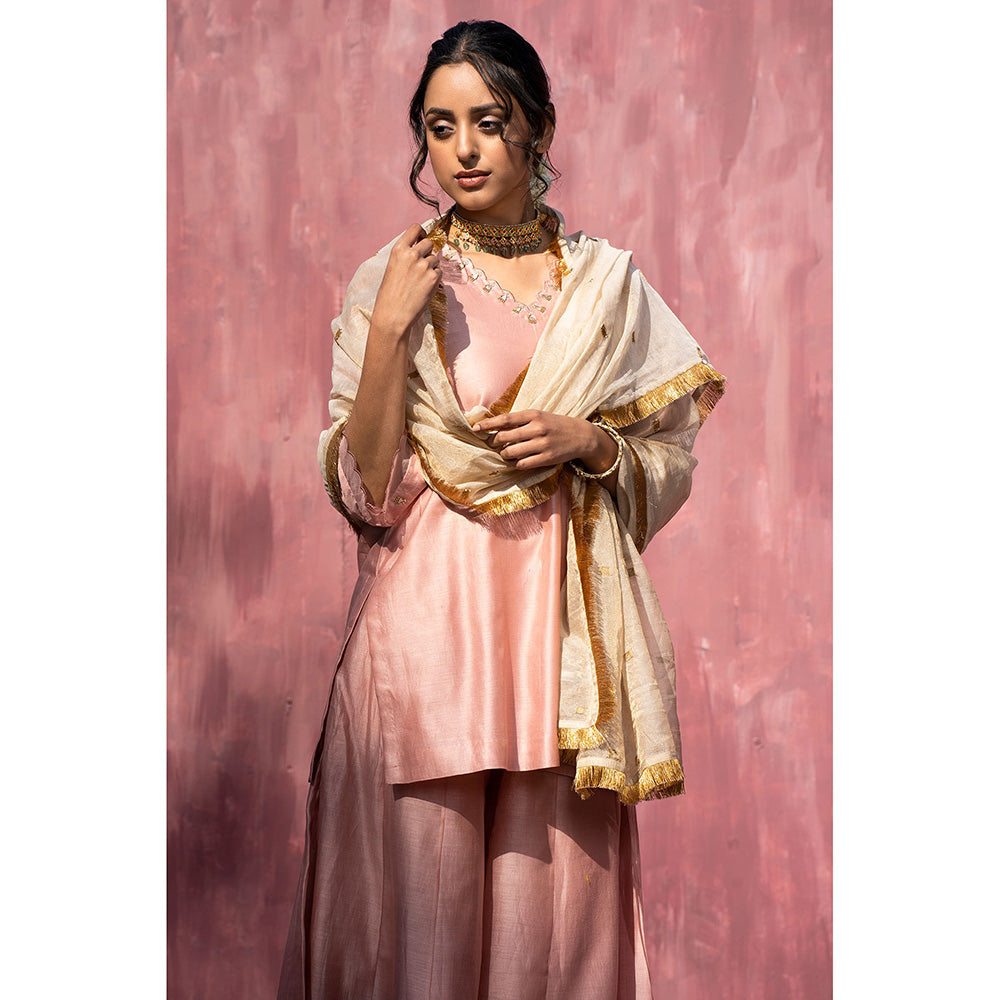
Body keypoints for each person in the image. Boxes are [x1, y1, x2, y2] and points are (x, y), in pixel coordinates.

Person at [278, 19, 724, 1000]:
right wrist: (389, 334)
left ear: (539, 130)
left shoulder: (602, 286)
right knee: (420, 949)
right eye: (440, 128)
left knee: (554, 948)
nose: (465, 150)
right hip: (424, 659)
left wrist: (590, 442)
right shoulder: (396, 280)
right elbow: (368, 494)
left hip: (560, 664)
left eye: (489, 120)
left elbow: (666, 459)